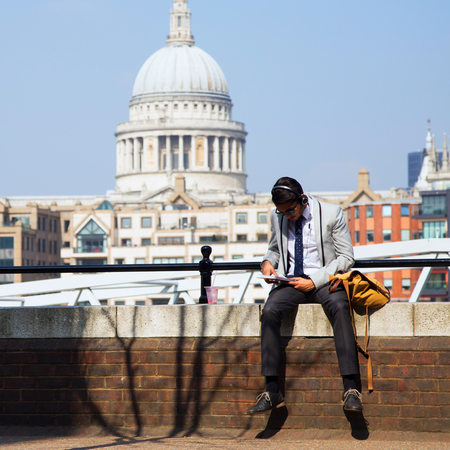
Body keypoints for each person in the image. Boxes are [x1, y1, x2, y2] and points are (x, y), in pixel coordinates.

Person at [247, 176, 362, 415]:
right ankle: (271, 390)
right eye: (282, 213)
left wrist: (314, 281)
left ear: (302, 200)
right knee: (268, 311)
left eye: (290, 211)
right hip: (290, 282)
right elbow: (274, 248)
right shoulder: (277, 216)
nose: (287, 216)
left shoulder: (332, 213)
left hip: (324, 281)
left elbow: (346, 258)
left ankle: (351, 389)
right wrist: (268, 263)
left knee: (341, 308)